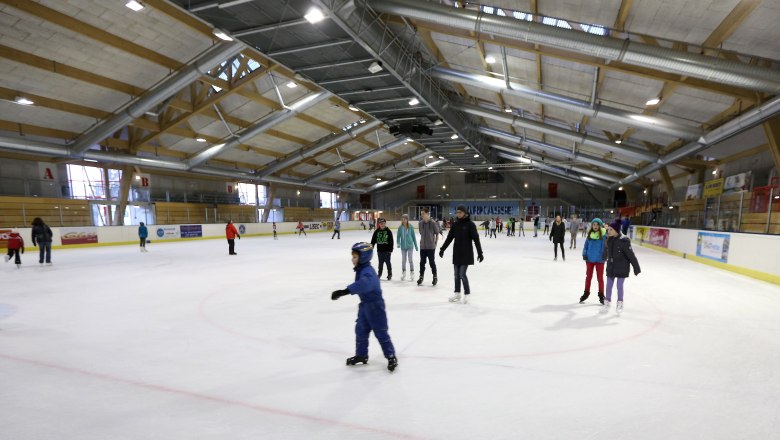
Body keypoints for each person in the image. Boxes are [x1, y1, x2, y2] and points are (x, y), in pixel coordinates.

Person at [331, 242, 398, 372]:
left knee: (380, 332)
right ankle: (361, 355)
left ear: (364, 257)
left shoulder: (367, 272)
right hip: (365, 305)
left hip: (375, 306)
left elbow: (364, 284)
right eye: (353, 256)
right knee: (360, 330)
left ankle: (391, 356)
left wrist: (344, 291)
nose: (352, 259)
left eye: (355, 257)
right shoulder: (362, 269)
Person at [439, 205, 484, 304]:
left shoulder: (470, 225)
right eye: (457, 212)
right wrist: (442, 249)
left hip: (466, 254)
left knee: (462, 274)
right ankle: (457, 293)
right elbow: (449, 238)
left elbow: (476, 239)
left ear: (464, 213)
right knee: (456, 275)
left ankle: (467, 294)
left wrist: (480, 253)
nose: (458, 214)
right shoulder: (455, 225)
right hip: (457, 253)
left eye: (460, 212)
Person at [601, 220, 641, 315]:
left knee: (619, 286)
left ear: (616, 230)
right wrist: (603, 257)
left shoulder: (624, 241)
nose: (608, 231)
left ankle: (620, 303)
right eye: (608, 229)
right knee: (609, 285)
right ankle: (607, 303)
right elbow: (606, 251)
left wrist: (636, 268)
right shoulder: (609, 239)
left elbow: (631, 256)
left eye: (611, 229)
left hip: (622, 267)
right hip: (611, 266)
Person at [580, 218, 607, 305]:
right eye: (594, 225)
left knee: (600, 278)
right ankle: (586, 292)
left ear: (600, 226)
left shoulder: (603, 235)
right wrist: (584, 254)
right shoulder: (589, 235)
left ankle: (601, 295)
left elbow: (606, 247)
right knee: (588, 277)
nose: (595, 226)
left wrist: (605, 255)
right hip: (589, 259)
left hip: (599, 260)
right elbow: (586, 246)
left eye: (597, 224)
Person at [417, 207, 440, 286]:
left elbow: (437, 233)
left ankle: (435, 276)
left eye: (423, 214)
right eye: (421, 214)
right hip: (423, 247)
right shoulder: (420, 223)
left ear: (427, 213)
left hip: (431, 247)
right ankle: (421, 276)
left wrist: (435, 243)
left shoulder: (433, 223)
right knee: (422, 262)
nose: (422, 215)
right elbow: (421, 232)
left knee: (431, 262)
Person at [396, 214, 418, 282]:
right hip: (403, 247)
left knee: (410, 260)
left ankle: (412, 272)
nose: (403, 220)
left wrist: (416, 245)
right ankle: (403, 273)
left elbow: (413, 237)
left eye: (404, 219)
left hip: (410, 246)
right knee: (403, 260)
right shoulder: (400, 228)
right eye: (402, 219)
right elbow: (398, 237)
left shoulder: (411, 227)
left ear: (407, 219)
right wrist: (398, 243)